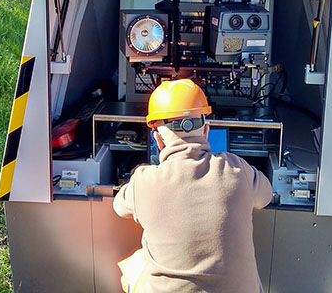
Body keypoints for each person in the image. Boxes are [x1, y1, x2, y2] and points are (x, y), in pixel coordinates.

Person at [113, 78, 273, 293]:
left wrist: (137, 174)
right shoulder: (238, 169)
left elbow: (119, 207)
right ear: (206, 131)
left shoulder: (144, 181)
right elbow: (266, 196)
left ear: (157, 140)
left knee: (136, 263)